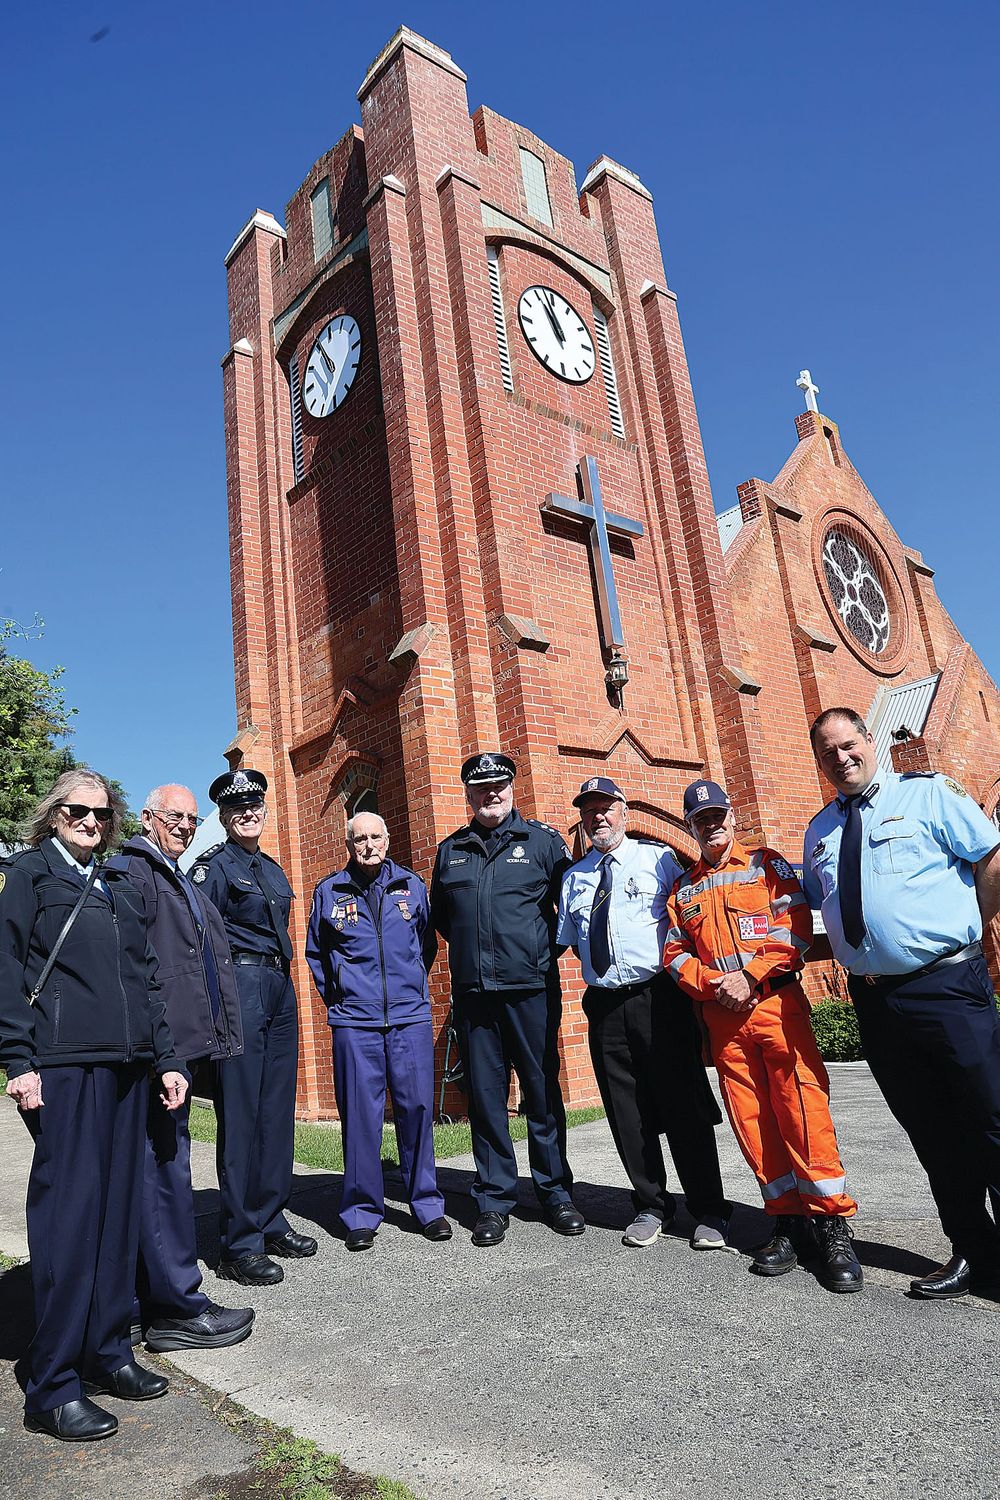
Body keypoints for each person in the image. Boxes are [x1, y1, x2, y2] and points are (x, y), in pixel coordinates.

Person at [0, 770, 189, 1442]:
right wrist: (17, 1061)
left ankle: (109, 1353)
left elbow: (145, 978)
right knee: (71, 1221)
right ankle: (52, 1384)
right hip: (65, 1067)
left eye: (101, 814)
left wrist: (166, 1057)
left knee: (117, 1218)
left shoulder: (114, 884)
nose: (90, 821)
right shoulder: (30, 875)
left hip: (128, 1069)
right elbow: (5, 968)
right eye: (77, 811)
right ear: (53, 813)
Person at [804, 707, 1000, 1300]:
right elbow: (826, 907)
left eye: (849, 744)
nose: (842, 757)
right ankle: (975, 1251)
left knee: (992, 1117)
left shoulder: (930, 795)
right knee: (931, 1130)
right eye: (828, 752)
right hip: (875, 1002)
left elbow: (991, 859)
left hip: (946, 987)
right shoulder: (819, 832)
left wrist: (973, 930)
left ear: (870, 741)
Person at [663, 779, 862, 1291]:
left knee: (802, 1110)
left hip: (775, 1004)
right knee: (751, 1119)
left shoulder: (767, 866)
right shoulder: (683, 889)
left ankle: (830, 1224)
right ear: (691, 827)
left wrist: (749, 976)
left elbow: (795, 925)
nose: (712, 825)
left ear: (733, 817)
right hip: (724, 1017)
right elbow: (674, 954)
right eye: (701, 819)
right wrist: (715, 985)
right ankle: (787, 1220)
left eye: (717, 815)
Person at [109, 785, 254, 1350]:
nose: (187, 827)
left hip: (179, 1050)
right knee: (163, 1176)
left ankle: (158, 1300)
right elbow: (135, 970)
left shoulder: (173, 874)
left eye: (194, 820)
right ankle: (175, 1308)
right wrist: (162, 1051)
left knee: (165, 1170)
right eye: (176, 817)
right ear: (148, 818)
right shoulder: (135, 872)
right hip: (156, 1054)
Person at [557, 777, 730, 1250]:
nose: (599, 818)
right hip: (606, 1004)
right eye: (589, 810)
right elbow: (572, 941)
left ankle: (709, 1208)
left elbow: (687, 920)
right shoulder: (575, 877)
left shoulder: (659, 861)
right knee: (625, 1110)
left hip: (661, 997)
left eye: (607, 808)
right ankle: (651, 1204)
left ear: (624, 811)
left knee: (683, 1105)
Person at [430, 752, 582, 1246]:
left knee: (541, 1093)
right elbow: (443, 920)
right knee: (487, 1100)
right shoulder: (450, 851)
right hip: (475, 998)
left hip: (531, 992)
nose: (491, 794)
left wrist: (539, 955)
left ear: (511, 787)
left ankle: (556, 1192)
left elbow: (570, 910)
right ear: (468, 795)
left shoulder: (543, 843)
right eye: (481, 788)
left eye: (498, 785)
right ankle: (494, 1198)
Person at [192, 768, 316, 1285]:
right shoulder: (213, 869)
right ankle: (239, 1241)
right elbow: (198, 942)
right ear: (222, 815)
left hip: (278, 987)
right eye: (236, 807)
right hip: (238, 988)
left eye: (254, 805)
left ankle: (272, 1218)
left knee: (274, 1111)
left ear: (265, 810)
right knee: (241, 1116)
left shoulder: (272, 869)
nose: (247, 813)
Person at [306, 811, 451, 1250]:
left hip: (409, 1018)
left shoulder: (411, 886)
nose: (368, 845)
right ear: (348, 844)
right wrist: (346, 999)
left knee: (417, 1111)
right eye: (359, 839)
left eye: (375, 837)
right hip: (355, 1023)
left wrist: (407, 990)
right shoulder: (329, 892)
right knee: (360, 1117)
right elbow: (318, 954)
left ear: (387, 840)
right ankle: (361, 1213)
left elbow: (424, 945)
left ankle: (427, 1205)